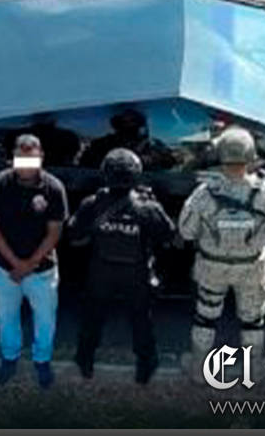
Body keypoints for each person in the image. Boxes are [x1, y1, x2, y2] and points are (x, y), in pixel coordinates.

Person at [178, 128, 265, 384]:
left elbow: (186, 231)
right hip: (252, 268)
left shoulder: (204, 193)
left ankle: (199, 370)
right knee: (253, 321)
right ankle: (252, 371)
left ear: (220, 155)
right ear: (251, 155)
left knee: (205, 317)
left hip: (212, 267)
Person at [68, 148, 176, 385]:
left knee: (93, 316)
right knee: (140, 319)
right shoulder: (147, 206)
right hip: (135, 270)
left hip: (101, 268)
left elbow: (74, 233)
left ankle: (85, 359)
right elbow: (168, 235)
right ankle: (146, 364)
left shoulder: (93, 203)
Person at [0, 134, 68, 389]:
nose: (26, 166)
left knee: (45, 320)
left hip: (41, 270)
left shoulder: (54, 188)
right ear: (13, 159)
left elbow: (55, 232)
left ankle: (42, 360)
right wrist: (16, 264)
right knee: (6, 317)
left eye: (31, 159)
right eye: (21, 159)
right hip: (4, 269)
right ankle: (10, 358)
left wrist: (29, 264)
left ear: (41, 157)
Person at [79, 105, 177, 171]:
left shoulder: (152, 145)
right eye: (125, 123)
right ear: (117, 126)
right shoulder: (102, 145)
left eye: (133, 122)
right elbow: (85, 165)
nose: (128, 126)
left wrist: (146, 160)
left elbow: (170, 161)